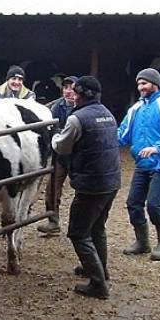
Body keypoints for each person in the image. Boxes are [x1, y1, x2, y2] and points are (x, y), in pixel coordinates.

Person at [51, 76, 120, 299]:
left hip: (91, 184)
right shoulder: (107, 114)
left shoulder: (76, 119)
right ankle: (100, 269)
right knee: (97, 227)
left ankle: (98, 284)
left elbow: (62, 147)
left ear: (81, 94)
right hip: (111, 182)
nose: (73, 96)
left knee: (78, 233)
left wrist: (53, 137)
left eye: (76, 92)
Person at [118, 68, 160, 261]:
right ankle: (142, 241)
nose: (141, 87)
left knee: (154, 204)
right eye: (139, 84)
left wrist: (157, 147)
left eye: (144, 83)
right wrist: (104, 142)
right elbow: (122, 133)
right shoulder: (135, 108)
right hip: (143, 163)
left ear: (155, 84)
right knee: (133, 203)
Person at [37, 75, 78, 236]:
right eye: (65, 88)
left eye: (72, 88)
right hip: (60, 155)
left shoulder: (82, 106)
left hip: (77, 156)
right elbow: (50, 128)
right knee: (52, 188)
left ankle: (78, 225)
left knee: (81, 189)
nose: (68, 92)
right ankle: (53, 222)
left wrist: (63, 134)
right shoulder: (57, 106)